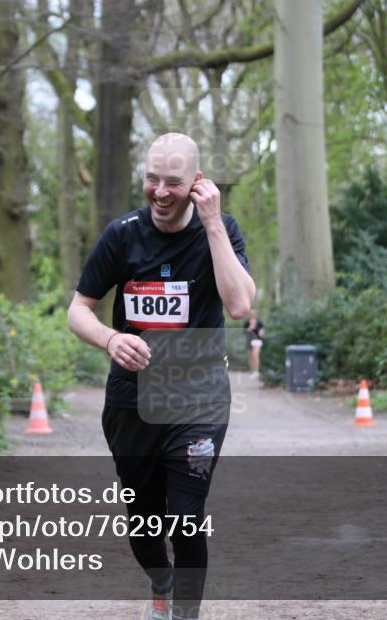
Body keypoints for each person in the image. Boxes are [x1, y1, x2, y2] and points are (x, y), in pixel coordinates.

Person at [67, 133, 255, 620]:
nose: (160, 191)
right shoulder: (122, 235)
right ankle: (161, 580)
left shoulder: (223, 231)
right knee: (145, 525)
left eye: (173, 182)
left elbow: (239, 305)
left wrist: (213, 224)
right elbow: (78, 310)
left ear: (197, 183)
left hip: (200, 398)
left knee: (187, 519)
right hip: (133, 399)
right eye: (152, 179)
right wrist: (110, 339)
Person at [244, 309, 264, 374]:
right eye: (251, 313)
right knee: (250, 357)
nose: (252, 314)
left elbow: (262, 333)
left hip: (257, 341)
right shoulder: (247, 323)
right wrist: (250, 328)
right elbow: (244, 332)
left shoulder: (259, 322)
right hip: (249, 341)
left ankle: (256, 371)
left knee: (255, 355)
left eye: (253, 313)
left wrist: (261, 332)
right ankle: (252, 370)